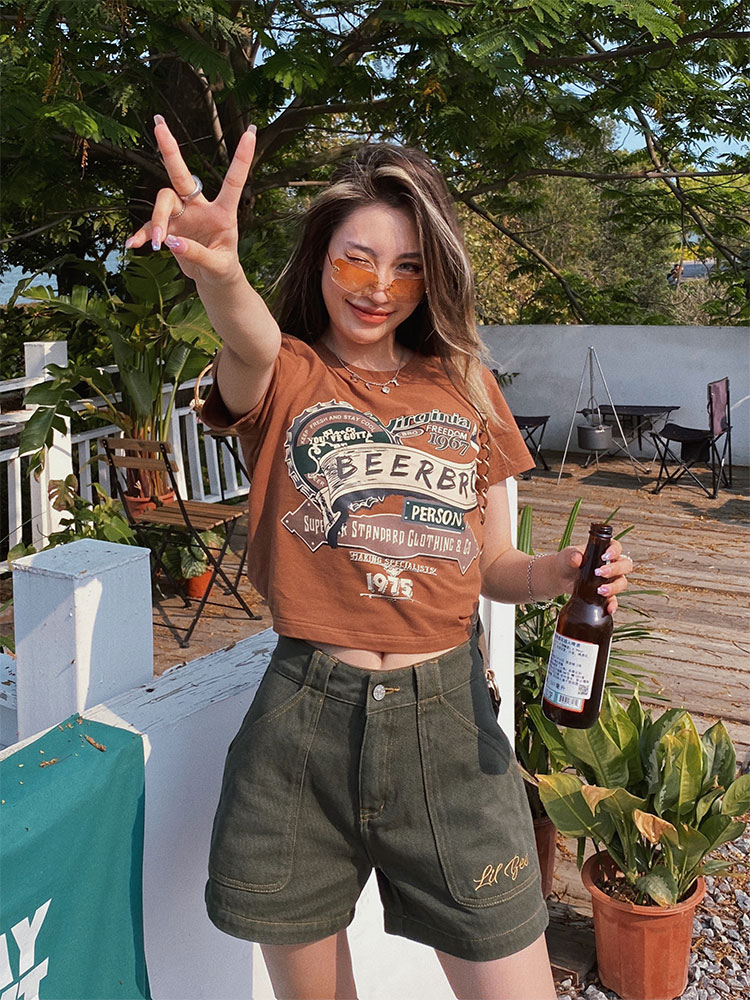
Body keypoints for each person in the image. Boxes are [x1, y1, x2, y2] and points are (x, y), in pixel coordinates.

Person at [126, 116, 632, 1000]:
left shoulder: (466, 385)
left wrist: (555, 574)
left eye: (407, 267)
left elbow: (494, 563)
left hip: (449, 725)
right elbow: (246, 340)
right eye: (356, 260)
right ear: (320, 259)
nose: (378, 288)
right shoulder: (284, 373)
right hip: (303, 726)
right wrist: (223, 273)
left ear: (433, 277)